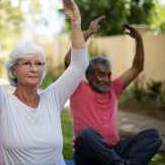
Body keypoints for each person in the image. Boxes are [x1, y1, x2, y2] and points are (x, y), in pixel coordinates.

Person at [0, 0, 88, 164]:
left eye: (39, 64)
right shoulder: (1, 102)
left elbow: (79, 65)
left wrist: (76, 23)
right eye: (26, 63)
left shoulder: (53, 98)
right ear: (13, 69)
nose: (34, 68)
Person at [63, 22, 163, 165]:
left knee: (153, 136)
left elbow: (136, 67)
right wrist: (86, 35)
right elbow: (69, 62)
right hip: (88, 153)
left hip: (114, 150)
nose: (107, 79)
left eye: (109, 75)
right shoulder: (77, 88)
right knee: (86, 135)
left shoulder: (114, 88)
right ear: (89, 75)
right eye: (102, 74)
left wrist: (139, 40)